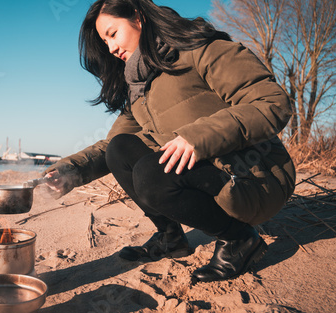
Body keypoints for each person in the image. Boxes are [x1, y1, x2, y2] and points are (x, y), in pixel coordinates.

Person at [43, 0, 296, 282]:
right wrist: (68, 171)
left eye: (112, 34)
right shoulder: (140, 89)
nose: (111, 49)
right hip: (206, 173)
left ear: (138, 17)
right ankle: (170, 238)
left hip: (255, 176)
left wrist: (197, 138)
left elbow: (272, 103)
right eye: (105, 43)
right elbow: (110, 146)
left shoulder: (202, 48)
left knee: (151, 173)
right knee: (120, 149)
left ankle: (240, 239)